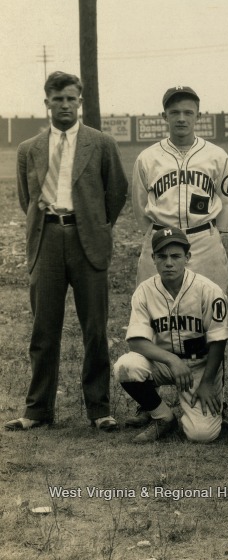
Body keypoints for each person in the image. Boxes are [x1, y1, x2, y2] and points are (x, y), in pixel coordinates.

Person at [6, 71, 128, 432]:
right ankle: (37, 410)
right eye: (57, 99)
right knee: (44, 329)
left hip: (87, 240)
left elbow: (116, 193)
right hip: (47, 240)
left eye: (71, 98)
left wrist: (92, 223)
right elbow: (26, 199)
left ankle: (99, 409)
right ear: (46, 103)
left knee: (94, 328)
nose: (64, 105)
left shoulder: (101, 143)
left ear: (80, 102)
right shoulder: (29, 149)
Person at [114, 228, 228, 443]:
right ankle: (163, 417)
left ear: (188, 257)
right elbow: (136, 341)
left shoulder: (209, 290)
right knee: (126, 366)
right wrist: (172, 360)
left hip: (200, 366)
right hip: (164, 363)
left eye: (175, 256)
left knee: (202, 435)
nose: (169, 263)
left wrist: (207, 382)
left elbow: (219, 340)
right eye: (162, 256)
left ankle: (211, 407)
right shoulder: (145, 290)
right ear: (153, 259)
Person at [132, 86, 228, 291]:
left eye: (188, 112)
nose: (181, 118)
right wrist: (153, 233)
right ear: (164, 116)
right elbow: (139, 204)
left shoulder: (216, 155)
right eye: (174, 112)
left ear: (198, 116)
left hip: (204, 241)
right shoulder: (147, 157)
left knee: (209, 306)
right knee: (157, 307)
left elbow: (227, 200)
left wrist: (214, 235)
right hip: (161, 240)